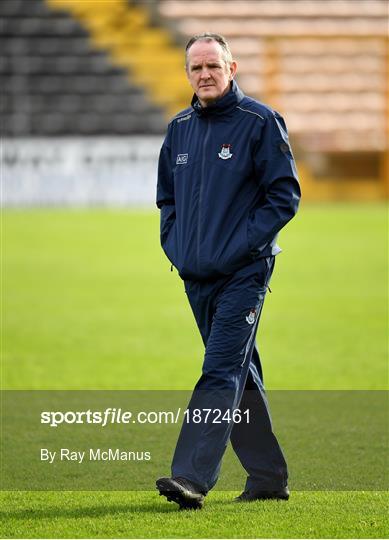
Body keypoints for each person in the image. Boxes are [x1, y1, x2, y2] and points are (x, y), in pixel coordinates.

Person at [156, 33, 300, 510]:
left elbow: (284, 196)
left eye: (213, 66)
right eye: (196, 68)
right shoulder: (178, 128)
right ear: (188, 74)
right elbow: (167, 200)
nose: (205, 75)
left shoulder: (260, 122)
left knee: (218, 370)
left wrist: (240, 248)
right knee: (241, 374)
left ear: (231, 67)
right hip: (196, 277)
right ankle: (267, 478)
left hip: (244, 274)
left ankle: (191, 477)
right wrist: (177, 248)